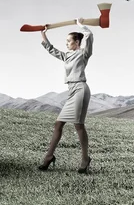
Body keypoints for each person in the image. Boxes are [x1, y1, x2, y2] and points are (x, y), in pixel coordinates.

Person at [38, 18, 93, 173]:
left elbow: (89, 36)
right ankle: (49, 156)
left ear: (77, 42)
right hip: (71, 91)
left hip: (81, 89)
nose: (66, 43)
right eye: (66, 41)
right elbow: (51, 49)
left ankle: (85, 159)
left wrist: (80, 25)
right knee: (58, 124)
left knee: (78, 125)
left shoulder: (83, 54)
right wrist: (43, 34)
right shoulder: (67, 55)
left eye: (69, 41)